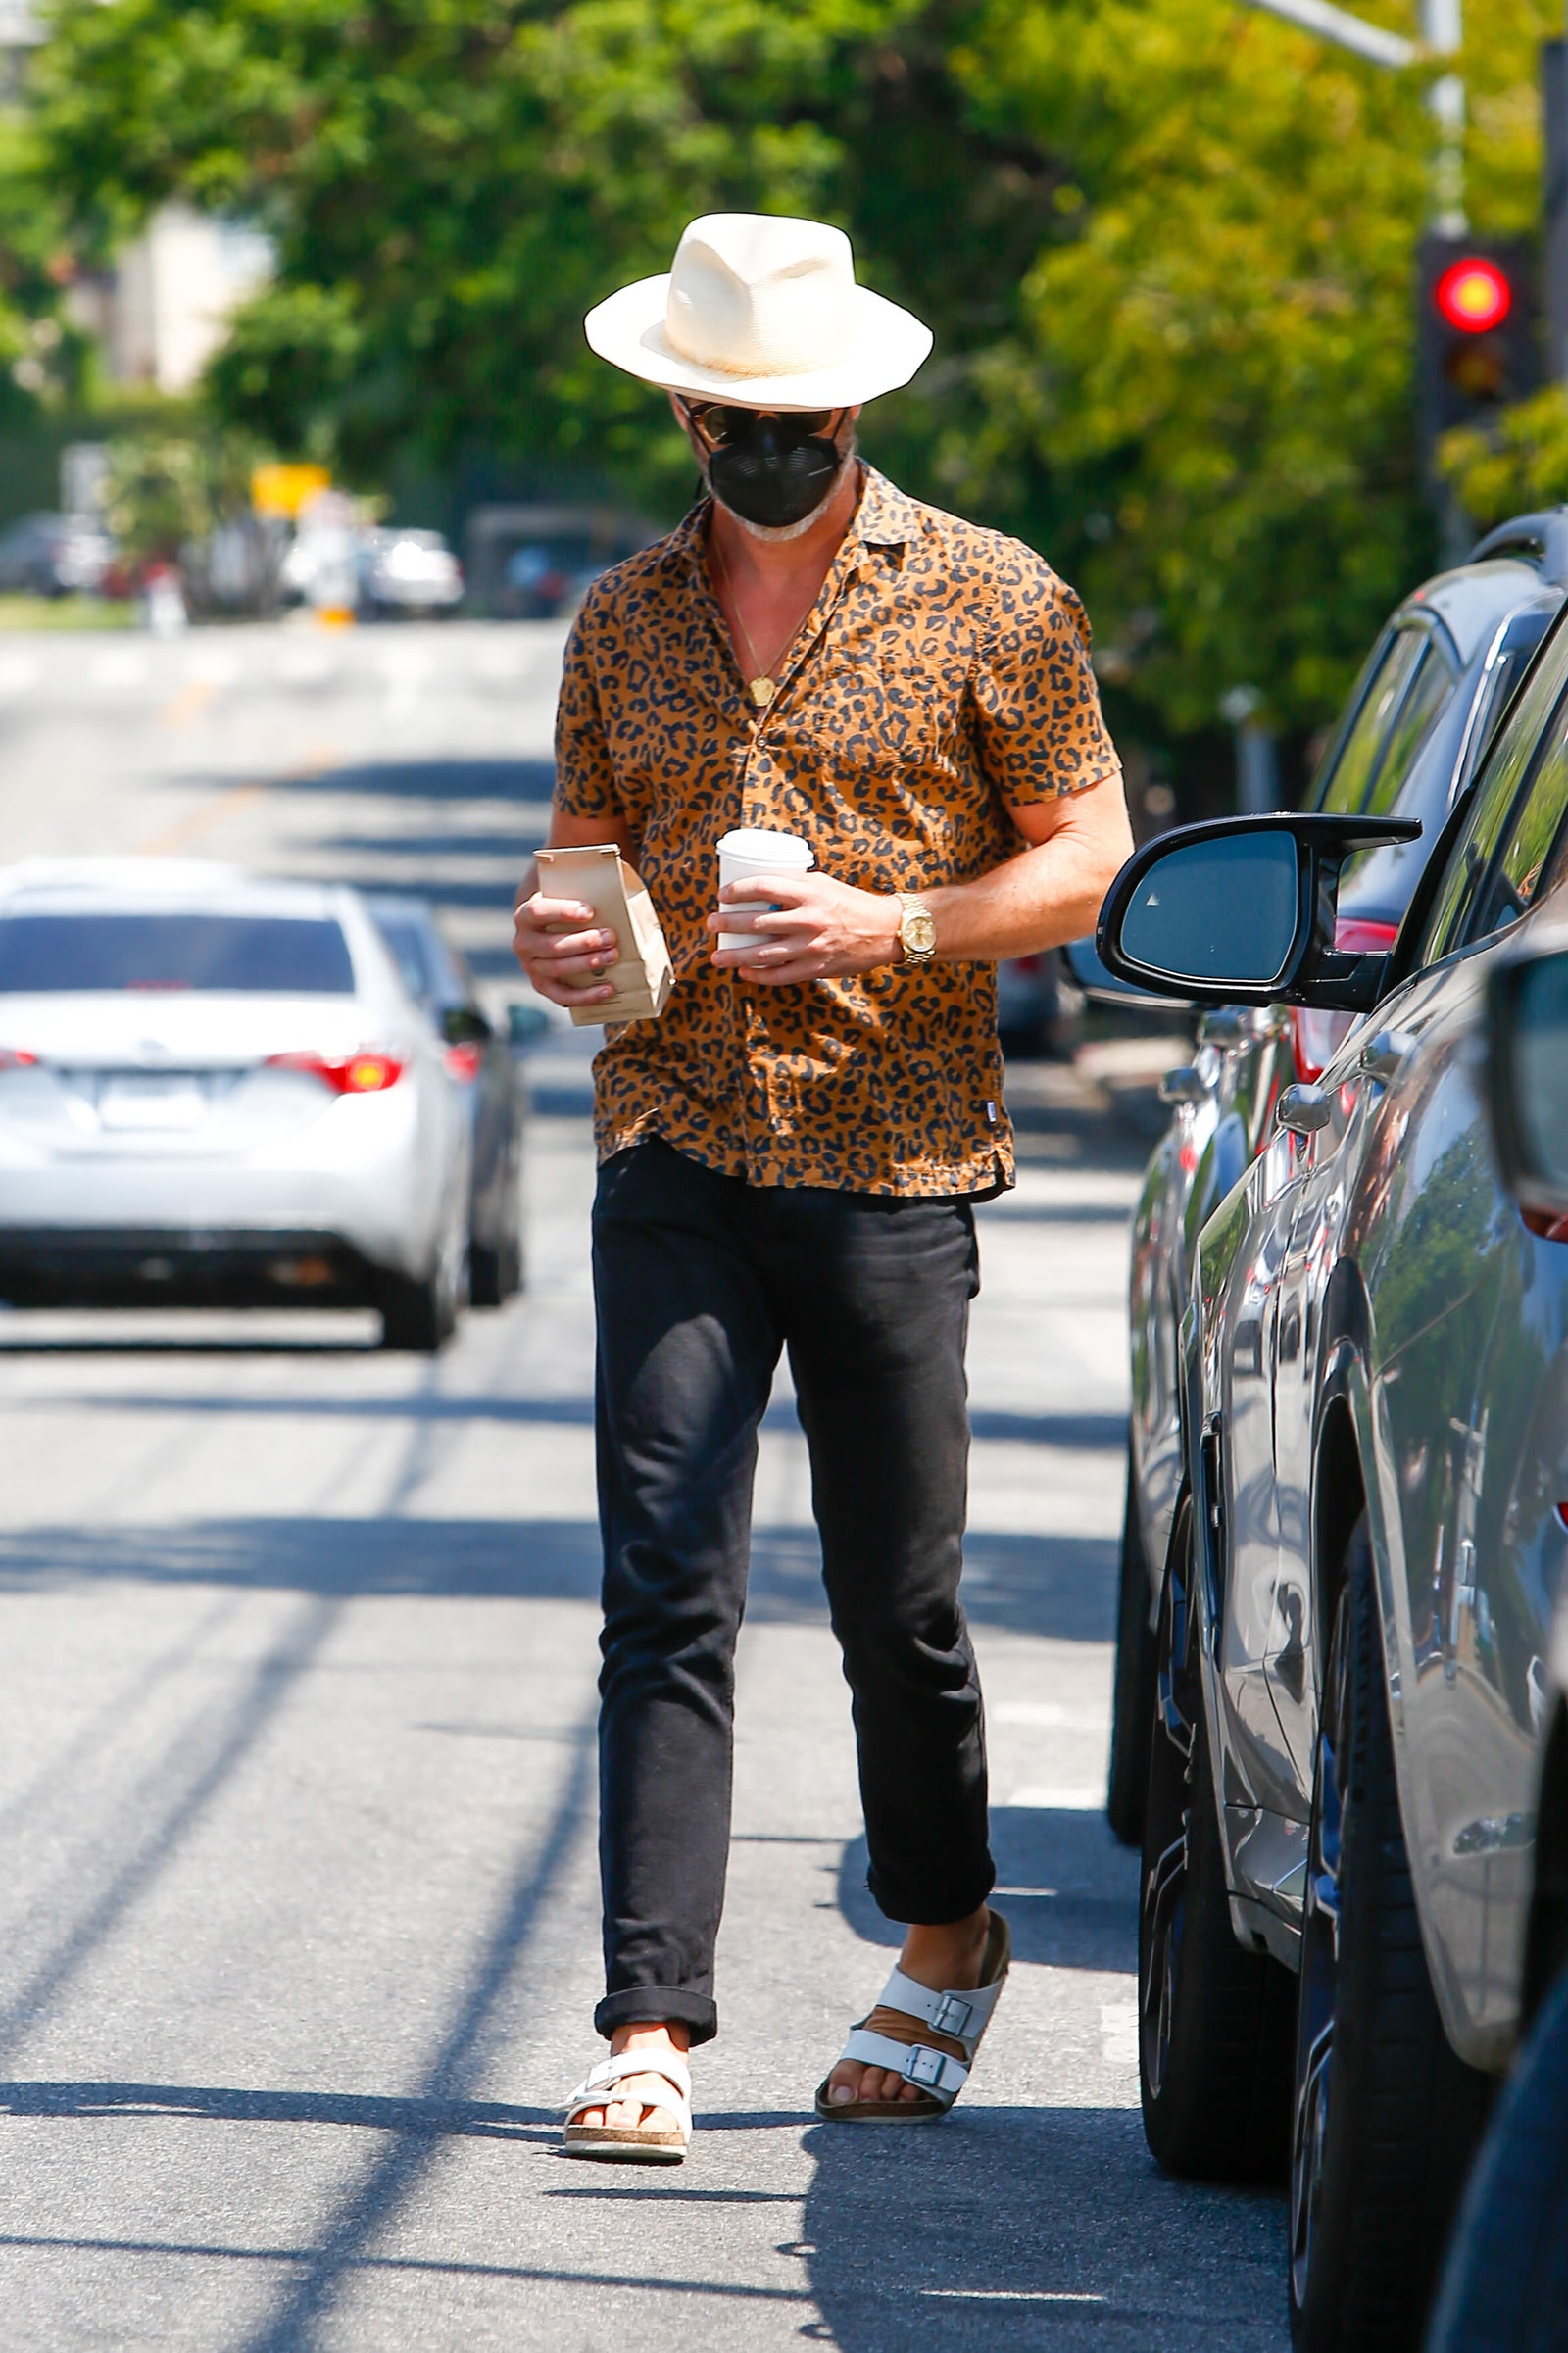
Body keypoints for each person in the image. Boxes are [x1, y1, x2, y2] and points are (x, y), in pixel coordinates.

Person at [513, 212, 1132, 2163]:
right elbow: (574, 855)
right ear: (685, 412)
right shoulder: (622, 619)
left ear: (852, 399)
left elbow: (1089, 860)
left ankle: (943, 1938)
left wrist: (893, 921)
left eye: (803, 413)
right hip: (676, 1138)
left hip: (891, 1154)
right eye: (733, 418)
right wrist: (557, 935)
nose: (769, 444)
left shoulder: (991, 597)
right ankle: (646, 2019)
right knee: (663, 1587)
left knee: (899, 1606)